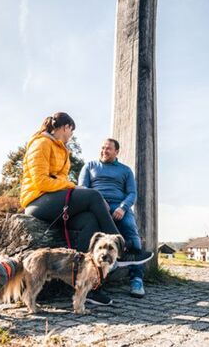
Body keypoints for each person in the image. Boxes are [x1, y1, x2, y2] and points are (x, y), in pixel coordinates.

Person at [20, 112, 152, 306]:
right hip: (37, 201)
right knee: (93, 195)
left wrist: (66, 184)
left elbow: (59, 179)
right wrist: (72, 186)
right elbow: (41, 181)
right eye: (71, 131)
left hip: (54, 198)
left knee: (90, 220)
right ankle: (124, 249)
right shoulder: (41, 143)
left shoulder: (61, 149)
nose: (71, 135)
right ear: (65, 127)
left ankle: (89, 286)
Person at [78, 138, 147, 298]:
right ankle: (91, 280)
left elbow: (132, 194)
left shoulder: (125, 170)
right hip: (95, 205)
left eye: (108, 149)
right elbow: (82, 189)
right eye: (102, 148)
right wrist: (99, 202)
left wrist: (123, 208)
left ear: (117, 152)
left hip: (118, 206)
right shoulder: (89, 166)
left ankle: (137, 279)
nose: (104, 151)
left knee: (130, 228)